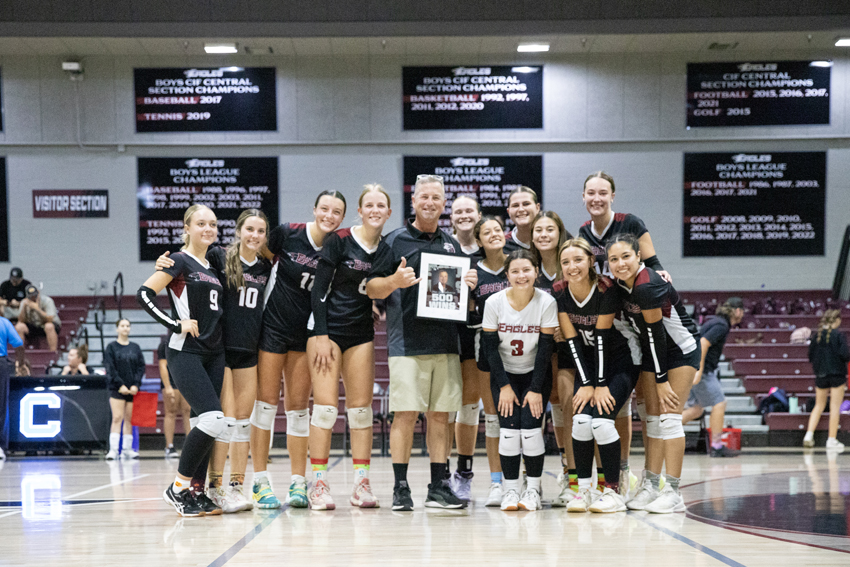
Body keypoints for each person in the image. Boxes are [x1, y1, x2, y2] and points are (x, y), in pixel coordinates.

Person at [366, 174, 477, 511]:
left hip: (445, 342)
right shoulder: (394, 240)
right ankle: (401, 488)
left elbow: (462, 299)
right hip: (406, 344)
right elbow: (372, 287)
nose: (430, 203)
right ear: (413, 201)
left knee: (441, 416)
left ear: (443, 205)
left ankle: (438, 486)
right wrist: (393, 281)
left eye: (436, 198)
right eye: (424, 197)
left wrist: (468, 284)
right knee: (405, 416)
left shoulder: (451, 245)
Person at [157, 209, 272, 513]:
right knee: (220, 421)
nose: (254, 236)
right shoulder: (221, 257)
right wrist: (164, 264)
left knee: (237, 424)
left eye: (261, 231)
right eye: (249, 229)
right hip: (216, 347)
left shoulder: (266, 267)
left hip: (242, 351)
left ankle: (231, 487)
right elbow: (182, 266)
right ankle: (212, 486)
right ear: (238, 231)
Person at [250, 191, 346, 509]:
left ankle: (297, 483)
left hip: (305, 336)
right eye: (324, 209)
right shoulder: (288, 233)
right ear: (314, 209)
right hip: (272, 329)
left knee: (297, 410)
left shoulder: (339, 246)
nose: (329, 215)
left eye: (336, 212)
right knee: (264, 407)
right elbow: (256, 257)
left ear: (342, 217)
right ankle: (260, 481)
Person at [578, 171, 670, 494]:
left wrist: (660, 281)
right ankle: (622, 471)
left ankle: (651, 477)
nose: (597, 198)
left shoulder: (630, 222)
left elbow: (655, 264)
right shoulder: (583, 233)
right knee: (618, 405)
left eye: (603, 192)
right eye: (591, 193)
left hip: (636, 317)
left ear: (612, 196)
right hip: (607, 320)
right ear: (584, 197)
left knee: (645, 405)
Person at [307, 184, 393, 510]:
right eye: (368, 204)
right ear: (360, 210)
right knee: (326, 410)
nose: (374, 210)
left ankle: (361, 483)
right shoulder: (339, 240)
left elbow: (383, 290)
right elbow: (318, 290)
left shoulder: (386, 249)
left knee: (360, 412)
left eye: (380, 205)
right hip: (327, 331)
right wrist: (322, 334)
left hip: (360, 333)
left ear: (387, 212)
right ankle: (319, 483)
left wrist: (378, 310)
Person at [137, 203, 226, 517]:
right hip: (185, 350)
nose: (208, 229)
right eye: (201, 223)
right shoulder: (178, 260)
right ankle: (177, 488)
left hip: (214, 353)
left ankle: (196, 493)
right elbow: (145, 294)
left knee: (207, 424)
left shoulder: (215, 263)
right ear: (187, 228)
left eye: (212, 224)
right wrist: (176, 324)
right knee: (215, 419)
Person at [606, 233, 700, 514]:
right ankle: (651, 483)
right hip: (652, 355)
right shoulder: (619, 287)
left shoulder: (648, 285)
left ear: (638, 256)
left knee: (670, 419)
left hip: (679, 352)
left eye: (626, 257)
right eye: (613, 259)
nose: (621, 263)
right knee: (652, 420)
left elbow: (658, 335)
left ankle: (673, 492)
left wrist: (660, 381)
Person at [555, 238, 639, 513]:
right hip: (589, 367)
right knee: (580, 421)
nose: (572, 267)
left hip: (620, 364)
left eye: (578, 260)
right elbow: (573, 343)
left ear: (591, 261)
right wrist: (587, 382)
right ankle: (584, 491)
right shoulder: (561, 293)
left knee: (601, 423)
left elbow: (601, 337)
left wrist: (600, 385)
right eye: (566, 262)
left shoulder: (606, 289)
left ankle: (613, 491)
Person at [481, 249, 558, 511]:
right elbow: (490, 349)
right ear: (507, 275)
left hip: (535, 375)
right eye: (515, 271)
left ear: (536, 272)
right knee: (509, 431)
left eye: (527, 270)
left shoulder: (546, 302)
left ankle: (533, 489)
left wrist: (536, 389)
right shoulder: (494, 302)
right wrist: (503, 386)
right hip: (505, 375)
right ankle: (511, 490)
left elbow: (546, 349)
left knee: (531, 429)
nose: (521, 275)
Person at [529, 211, 574, 505]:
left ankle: (571, 478)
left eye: (550, 229)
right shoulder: (526, 266)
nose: (544, 234)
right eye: (538, 230)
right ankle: (529, 481)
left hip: (568, 349)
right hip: (532, 350)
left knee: (566, 411)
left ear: (560, 232)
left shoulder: (569, 263)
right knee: (534, 415)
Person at [466, 216, 509, 506]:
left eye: (497, 230)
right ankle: (496, 483)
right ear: (478, 241)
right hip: (487, 349)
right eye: (486, 232)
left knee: (520, 422)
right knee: (492, 420)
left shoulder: (520, 263)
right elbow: (468, 320)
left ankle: (523, 481)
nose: (494, 235)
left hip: (523, 349)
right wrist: (467, 297)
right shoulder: (472, 272)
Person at [682, 298, 745, 458]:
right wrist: (698, 370)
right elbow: (703, 343)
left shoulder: (716, 322)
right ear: (737, 311)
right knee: (719, 403)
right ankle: (716, 446)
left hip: (695, 367)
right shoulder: (721, 325)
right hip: (702, 371)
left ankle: (663, 433)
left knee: (696, 409)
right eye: (742, 311)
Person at [803, 309, 850, 450]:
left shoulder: (816, 337)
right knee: (835, 407)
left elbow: (810, 356)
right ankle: (831, 440)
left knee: (819, 405)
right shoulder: (839, 336)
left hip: (821, 376)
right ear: (837, 321)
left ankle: (808, 435)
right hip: (837, 376)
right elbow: (846, 355)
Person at [103, 319, 146, 461]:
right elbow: (110, 368)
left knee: (129, 419)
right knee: (117, 418)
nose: (125, 328)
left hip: (132, 389)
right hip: (117, 388)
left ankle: (127, 450)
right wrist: (120, 384)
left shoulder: (135, 347)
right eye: (122, 326)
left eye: (127, 326)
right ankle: (114, 450)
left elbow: (141, 367)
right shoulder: (111, 347)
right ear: (117, 329)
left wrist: (135, 384)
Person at [157, 336, 191, 458]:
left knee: (188, 412)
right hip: (172, 383)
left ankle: (190, 445)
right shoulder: (165, 343)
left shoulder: (189, 342)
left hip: (185, 382)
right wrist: (167, 386)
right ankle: (169, 446)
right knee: (170, 413)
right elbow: (163, 366)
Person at [0, 315, 25, 460]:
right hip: (0, 363)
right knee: (1, 405)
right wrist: (20, 364)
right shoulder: (3, 322)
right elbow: (18, 344)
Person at [15, 284, 60, 351]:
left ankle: (53, 352)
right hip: (33, 326)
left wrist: (38, 309)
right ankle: (20, 353)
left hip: (47, 325)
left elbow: (50, 319)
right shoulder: (24, 302)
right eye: (31, 296)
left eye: (35, 295)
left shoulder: (47, 301)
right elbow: (20, 320)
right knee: (19, 327)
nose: (33, 298)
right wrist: (24, 309)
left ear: (38, 293)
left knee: (49, 326)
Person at [503, 187, 541, 253]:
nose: (521, 209)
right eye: (515, 205)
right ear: (508, 212)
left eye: (526, 204)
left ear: (537, 208)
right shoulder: (502, 245)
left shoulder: (553, 239)